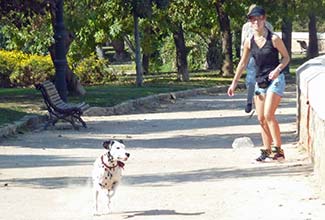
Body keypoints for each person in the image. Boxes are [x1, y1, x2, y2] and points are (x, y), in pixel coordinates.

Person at [227, 5, 290, 161]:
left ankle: (279, 150)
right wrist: (234, 83)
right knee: (261, 118)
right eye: (252, 19)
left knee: (269, 114)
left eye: (259, 18)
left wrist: (278, 70)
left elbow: (286, 58)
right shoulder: (250, 41)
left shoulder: (274, 39)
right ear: (250, 22)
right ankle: (267, 150)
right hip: (260, 80)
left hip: (275, 79)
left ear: (264, 19)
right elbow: (242, 63)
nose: (256, 22)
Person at [241, 4, 273, 113]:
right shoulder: (246, 27)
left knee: (263, 79)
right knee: (250, 80)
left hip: (264, 56)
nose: (255, 20)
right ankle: (249, 101)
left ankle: (262, 101)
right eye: (252, 17)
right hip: (251, 55)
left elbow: (271, 42)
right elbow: (243, 43)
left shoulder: (268, 26)